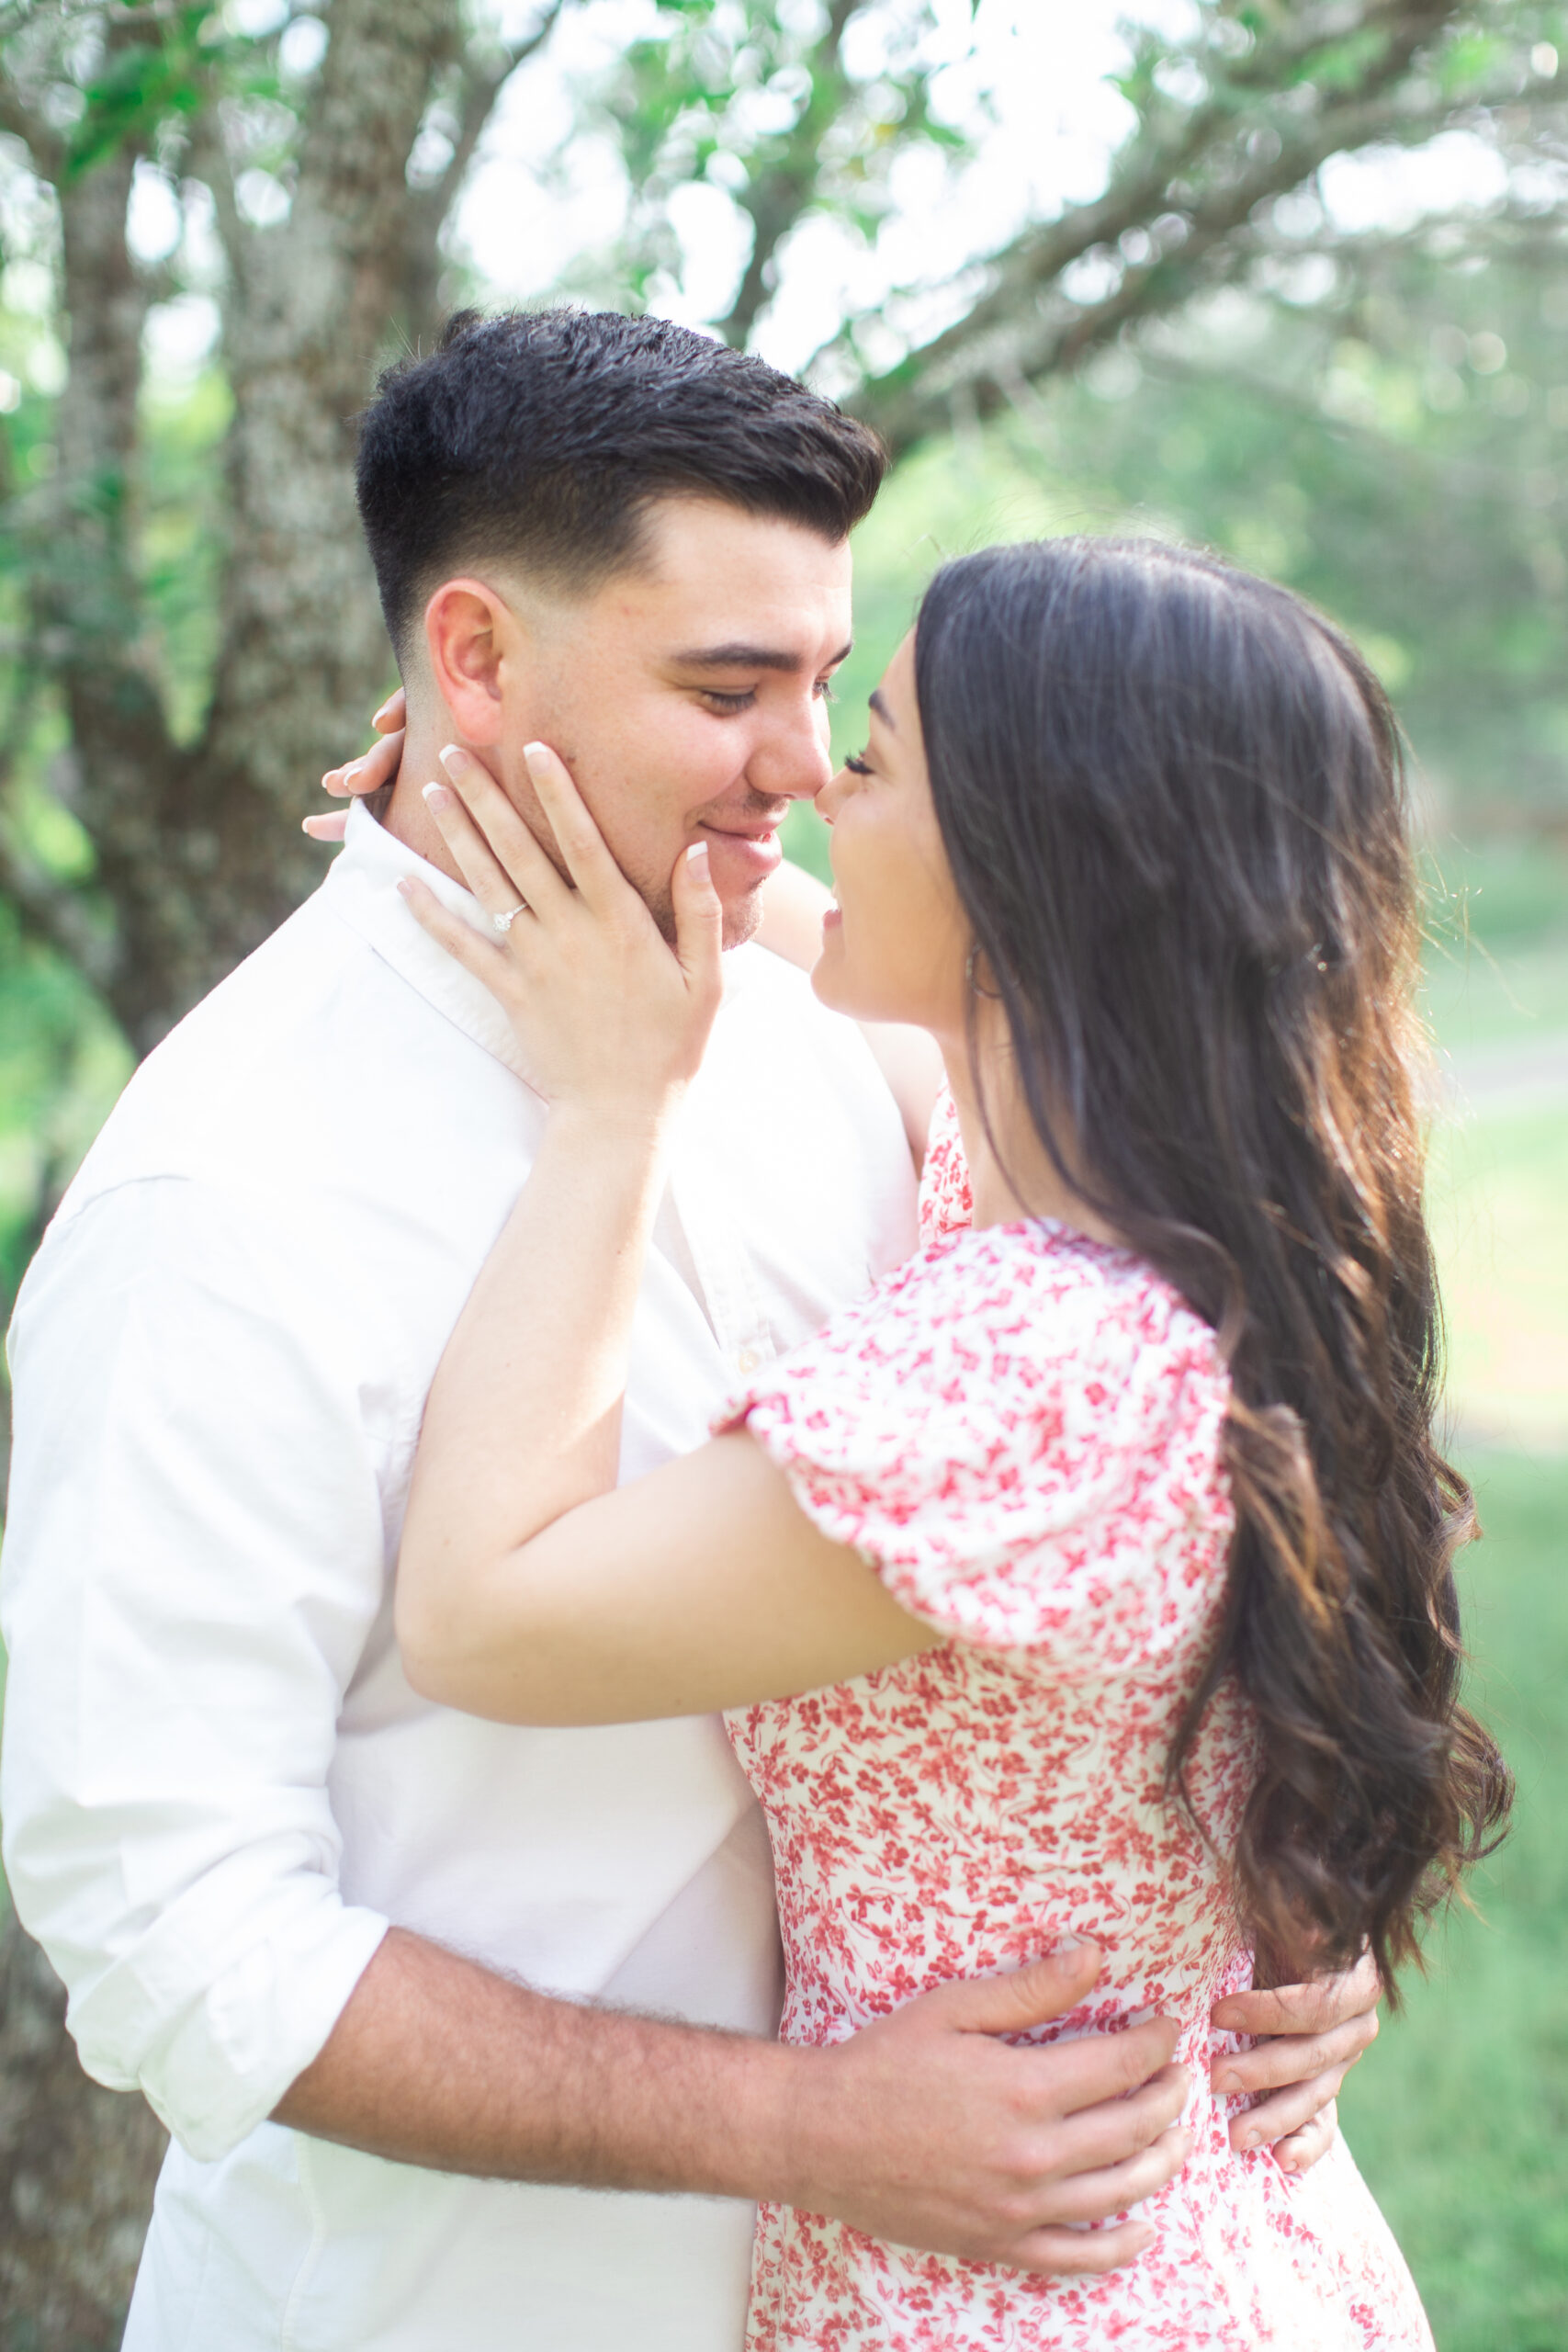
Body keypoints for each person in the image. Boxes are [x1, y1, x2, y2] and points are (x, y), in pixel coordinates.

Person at [1, 311, 1372, 2352]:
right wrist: (799, 2125)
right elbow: (177, 1938)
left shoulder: (846, 1016)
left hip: (1008, 2266)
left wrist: (1245, 1913)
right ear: (470, 661)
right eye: (722, 689)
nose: (807, 770)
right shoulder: (223, 1201)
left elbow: (1181, 1419)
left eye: (826, 688)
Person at [385, 534, 1512, 2347]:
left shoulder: (1034, 1378)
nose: (802, 784)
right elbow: (833, 944)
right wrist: (542, 775)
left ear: (1034, 862)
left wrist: (611, 1106)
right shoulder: (1160, 1218)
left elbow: (480, 1612)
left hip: (1024, 2293)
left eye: (869, 757)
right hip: (1176, 2238)